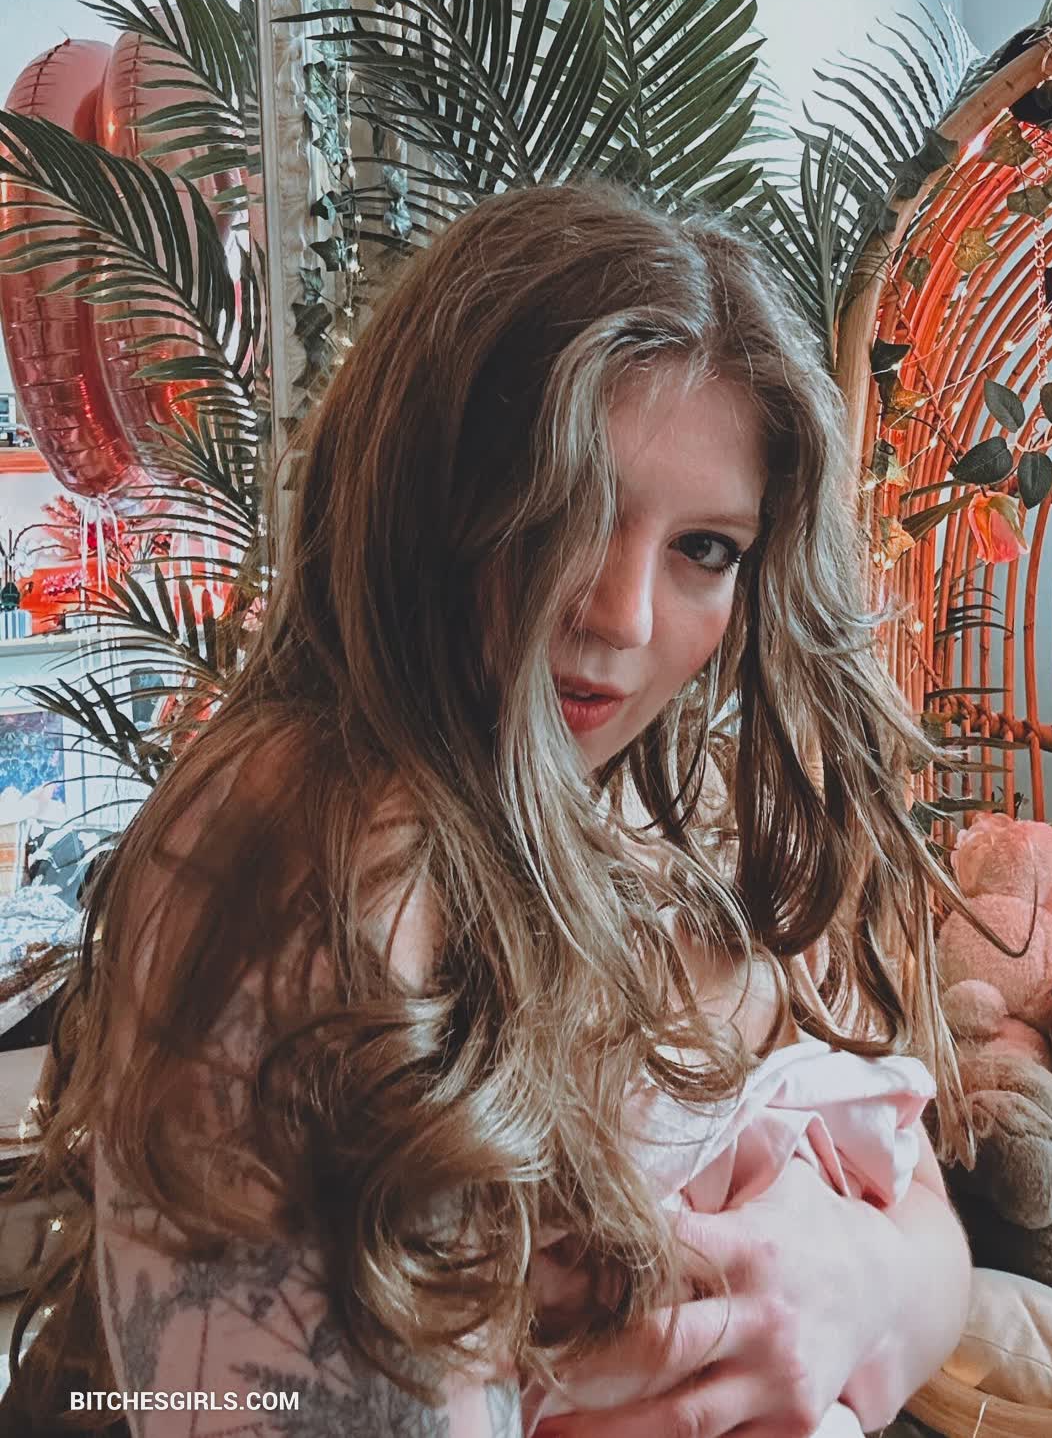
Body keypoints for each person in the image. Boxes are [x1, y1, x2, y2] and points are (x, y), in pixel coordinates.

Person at [4, 182, 972, 1436]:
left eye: (706, 548)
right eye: (565, 509)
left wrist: (864, 1285)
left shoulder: (651, 794)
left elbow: (923, 1211)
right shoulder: (322, 845)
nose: (623, 615)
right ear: (420, 492)